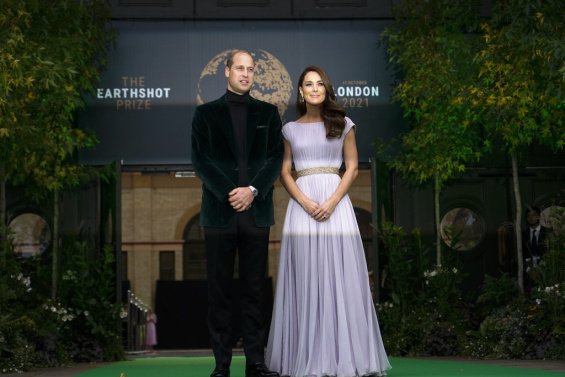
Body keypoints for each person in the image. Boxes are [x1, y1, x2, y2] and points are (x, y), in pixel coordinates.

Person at [265, 66, 391, 377]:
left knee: (341, 278)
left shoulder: (343, 123)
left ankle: (347, 357)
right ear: (300, 92)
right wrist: (306, 202)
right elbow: (284, 172)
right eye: (309, 84)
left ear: (326, 88)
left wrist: (332, 201)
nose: (315, 88)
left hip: (337, 207)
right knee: (307, 279)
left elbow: (351, 167)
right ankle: (306, 357)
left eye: (320, 83)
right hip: (302, 207)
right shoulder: (289, 129)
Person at [191, 49, 284, 377]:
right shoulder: (205, 115)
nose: (245, 73)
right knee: (218, 292)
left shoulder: (269, 113)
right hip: (219, 214)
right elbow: (201, 160)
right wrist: (232, 192)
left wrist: (252, 191)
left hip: (256, 214)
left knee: (255, 291)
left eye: (251, 69)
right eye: (239, 68)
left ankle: (256, 363)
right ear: (227, 71)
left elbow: (274, 159)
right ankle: (221, 365)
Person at [522, 205, 551, 290]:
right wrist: (528, 270)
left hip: (545, 274)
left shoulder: (548, 232)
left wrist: (539, 269)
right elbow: (520, 255)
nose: (531, 218)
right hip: (528, 276)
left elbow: (550, 253)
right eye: (528, 216)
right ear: (526, 219)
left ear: (538, 217)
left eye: (534, 215)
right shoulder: (522, 235)